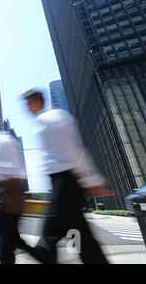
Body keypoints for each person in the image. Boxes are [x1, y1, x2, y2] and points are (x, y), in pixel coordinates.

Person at [22, 89, 112, 264]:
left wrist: (93, 180)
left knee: (57, 238)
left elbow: (74, 150)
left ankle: (17, 242)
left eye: (28, 103)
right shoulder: (47, 120)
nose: (27, 108)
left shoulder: (53, 118)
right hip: (63, 185)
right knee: (75, 238)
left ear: (38, 100)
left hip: (65, 184)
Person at [0, 120, 37, 264]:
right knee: (12, 239)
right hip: (15, 191)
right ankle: (45, 257)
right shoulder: (7, 139)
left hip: (9, 192)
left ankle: (46, 257)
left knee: (3, 244)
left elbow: (4, 169)